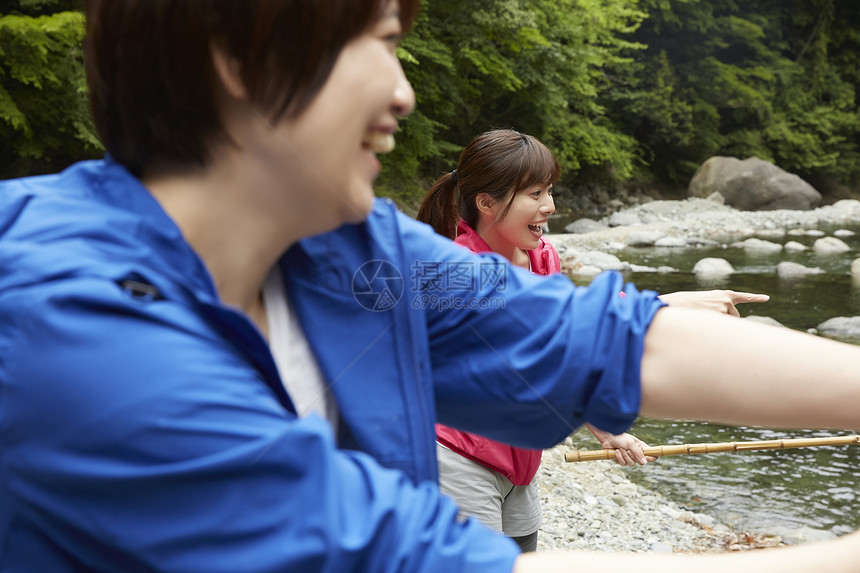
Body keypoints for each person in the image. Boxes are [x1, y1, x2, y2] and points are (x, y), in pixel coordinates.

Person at [0, 2, 859, 573]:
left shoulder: (346, 253)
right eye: (378, 42)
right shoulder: (65, 322)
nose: (405, 92)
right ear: (235, 56)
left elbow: (602, 341)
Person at [417, 129, 656, 553]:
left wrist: (604, 431)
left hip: (519, 459)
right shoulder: (461, 271)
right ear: (486, 204)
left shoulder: (543, 256)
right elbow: (537, 345)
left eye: (548, 190)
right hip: (457, 457)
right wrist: (669, 307)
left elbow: (563, 351)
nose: (549, 205)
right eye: (534, 193)